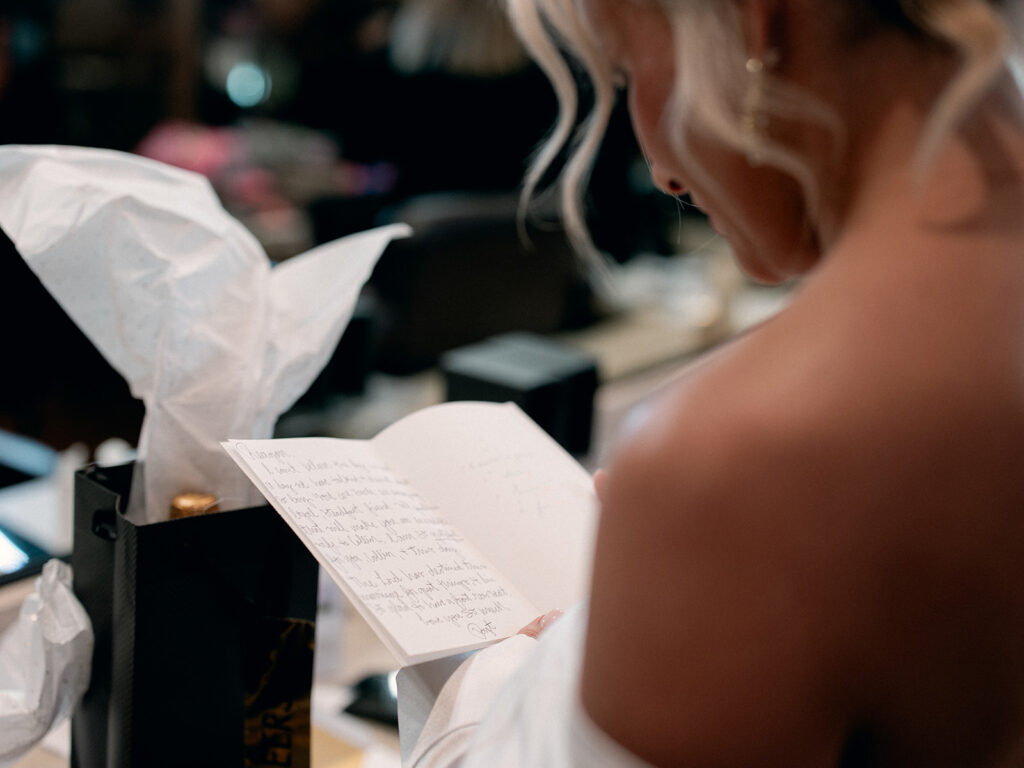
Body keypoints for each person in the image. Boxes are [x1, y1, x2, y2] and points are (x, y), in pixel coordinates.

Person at [403, 0, 1024, 766]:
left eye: (627, 70)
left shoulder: (754, 457)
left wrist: (505, 686)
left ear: (752, 25)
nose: (661, 168)